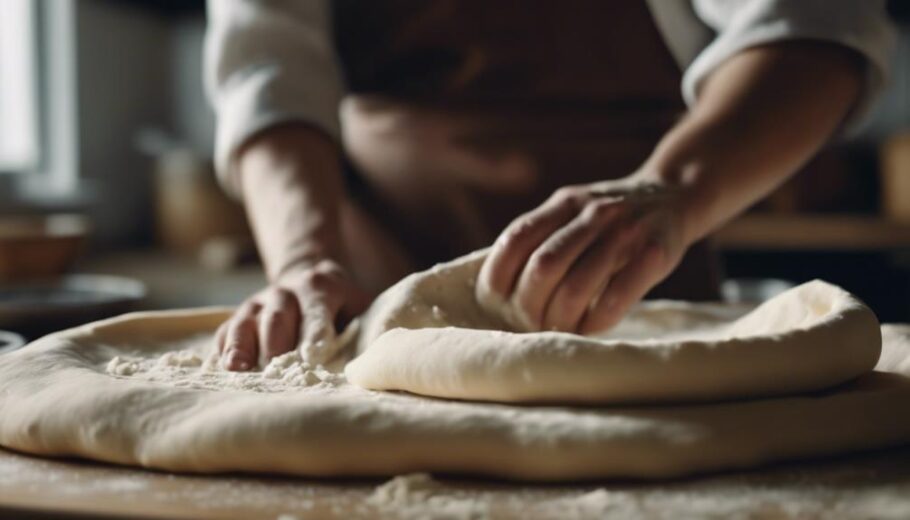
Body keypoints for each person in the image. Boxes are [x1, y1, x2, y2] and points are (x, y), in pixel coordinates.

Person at [205, 0, 894, 370]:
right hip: (375, 304)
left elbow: (818, 24)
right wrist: (303, 260)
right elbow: (269, 75)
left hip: (638, 300)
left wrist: (668, 190)